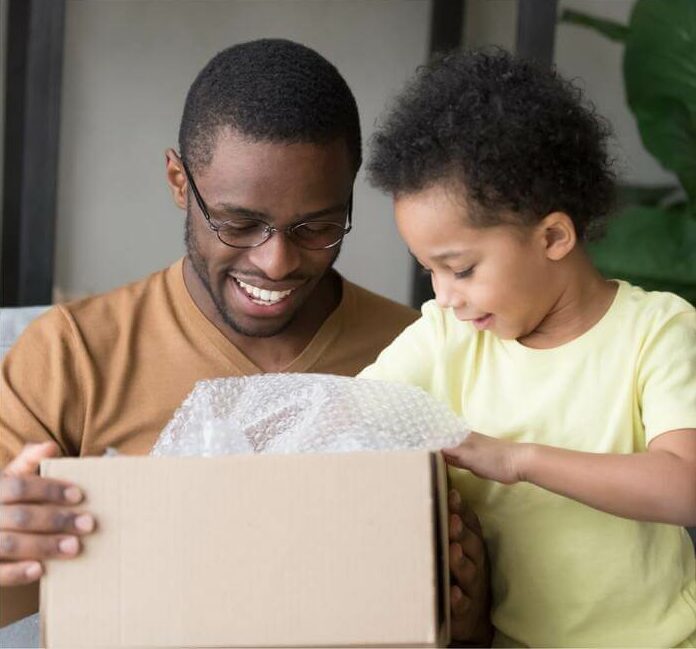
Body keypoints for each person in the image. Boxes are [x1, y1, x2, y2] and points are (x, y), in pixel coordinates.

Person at [0, 39, 490, 643]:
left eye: (317, 227)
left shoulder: (427, 350)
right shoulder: (72, 356)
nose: (277, 262)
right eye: (238, 223)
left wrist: (466, 613)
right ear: (180, 181)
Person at [360, 48, 696, 647]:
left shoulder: (656, 331)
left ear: (553, 236)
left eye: (459, 268)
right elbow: (345, 418)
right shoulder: (447, 335)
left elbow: (684, 485)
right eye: (429, 271)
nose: (445, 295)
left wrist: (518, 460)